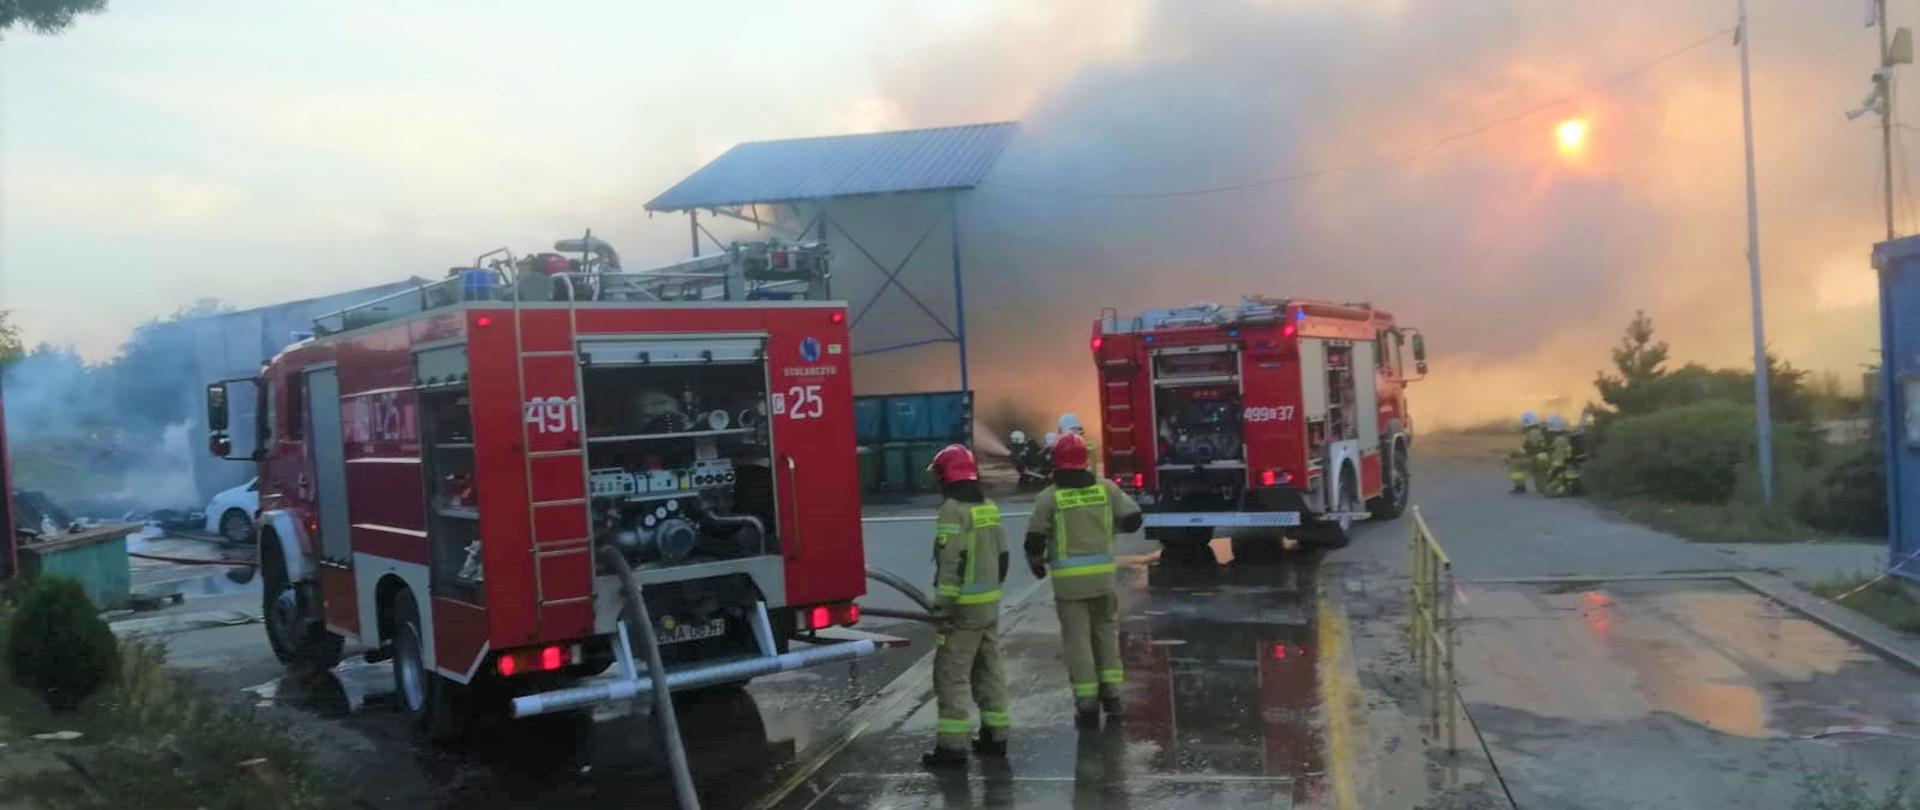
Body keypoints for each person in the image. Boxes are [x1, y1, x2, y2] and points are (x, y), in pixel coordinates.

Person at [1024, 433, 1143, 730]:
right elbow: (1133, 519)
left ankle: (1087, 705)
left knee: (1078, 641)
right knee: (1105, 635)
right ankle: (1113, 696)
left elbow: (1034, 540)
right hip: (1103, 582)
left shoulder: (1049, 497)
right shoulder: (1106, 490)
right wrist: (1109, 525)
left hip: (1069, 587)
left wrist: (1037, 567)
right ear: (1085, 460)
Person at [921, 444, 1011, 768]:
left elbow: (951, 563)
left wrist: (943, 606)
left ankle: (952, 748)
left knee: (951, 676)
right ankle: (995, 736)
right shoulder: (988, 506)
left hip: (962, 611)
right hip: (988, 606)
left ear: (947, 476)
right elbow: (1003, 558)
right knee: (989, 671)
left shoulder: (952, 510)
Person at [1507, 412, 1546, 494]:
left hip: (1538, 461)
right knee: (1542, 488)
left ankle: (1520, 487)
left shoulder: (1533, 433)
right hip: (1540, 459)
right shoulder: (1535, 431)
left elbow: (1531, 448)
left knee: (1514, 463)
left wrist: (1514, 454)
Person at [1543, 415, 1579, 497]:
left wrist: (1551, 473)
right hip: (1569, 470)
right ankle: (1567, 488)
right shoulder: (1562, 438)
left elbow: (1559, 462)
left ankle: (1565, 490)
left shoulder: (1559, 440)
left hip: (1565, 471)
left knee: (1548, 490)